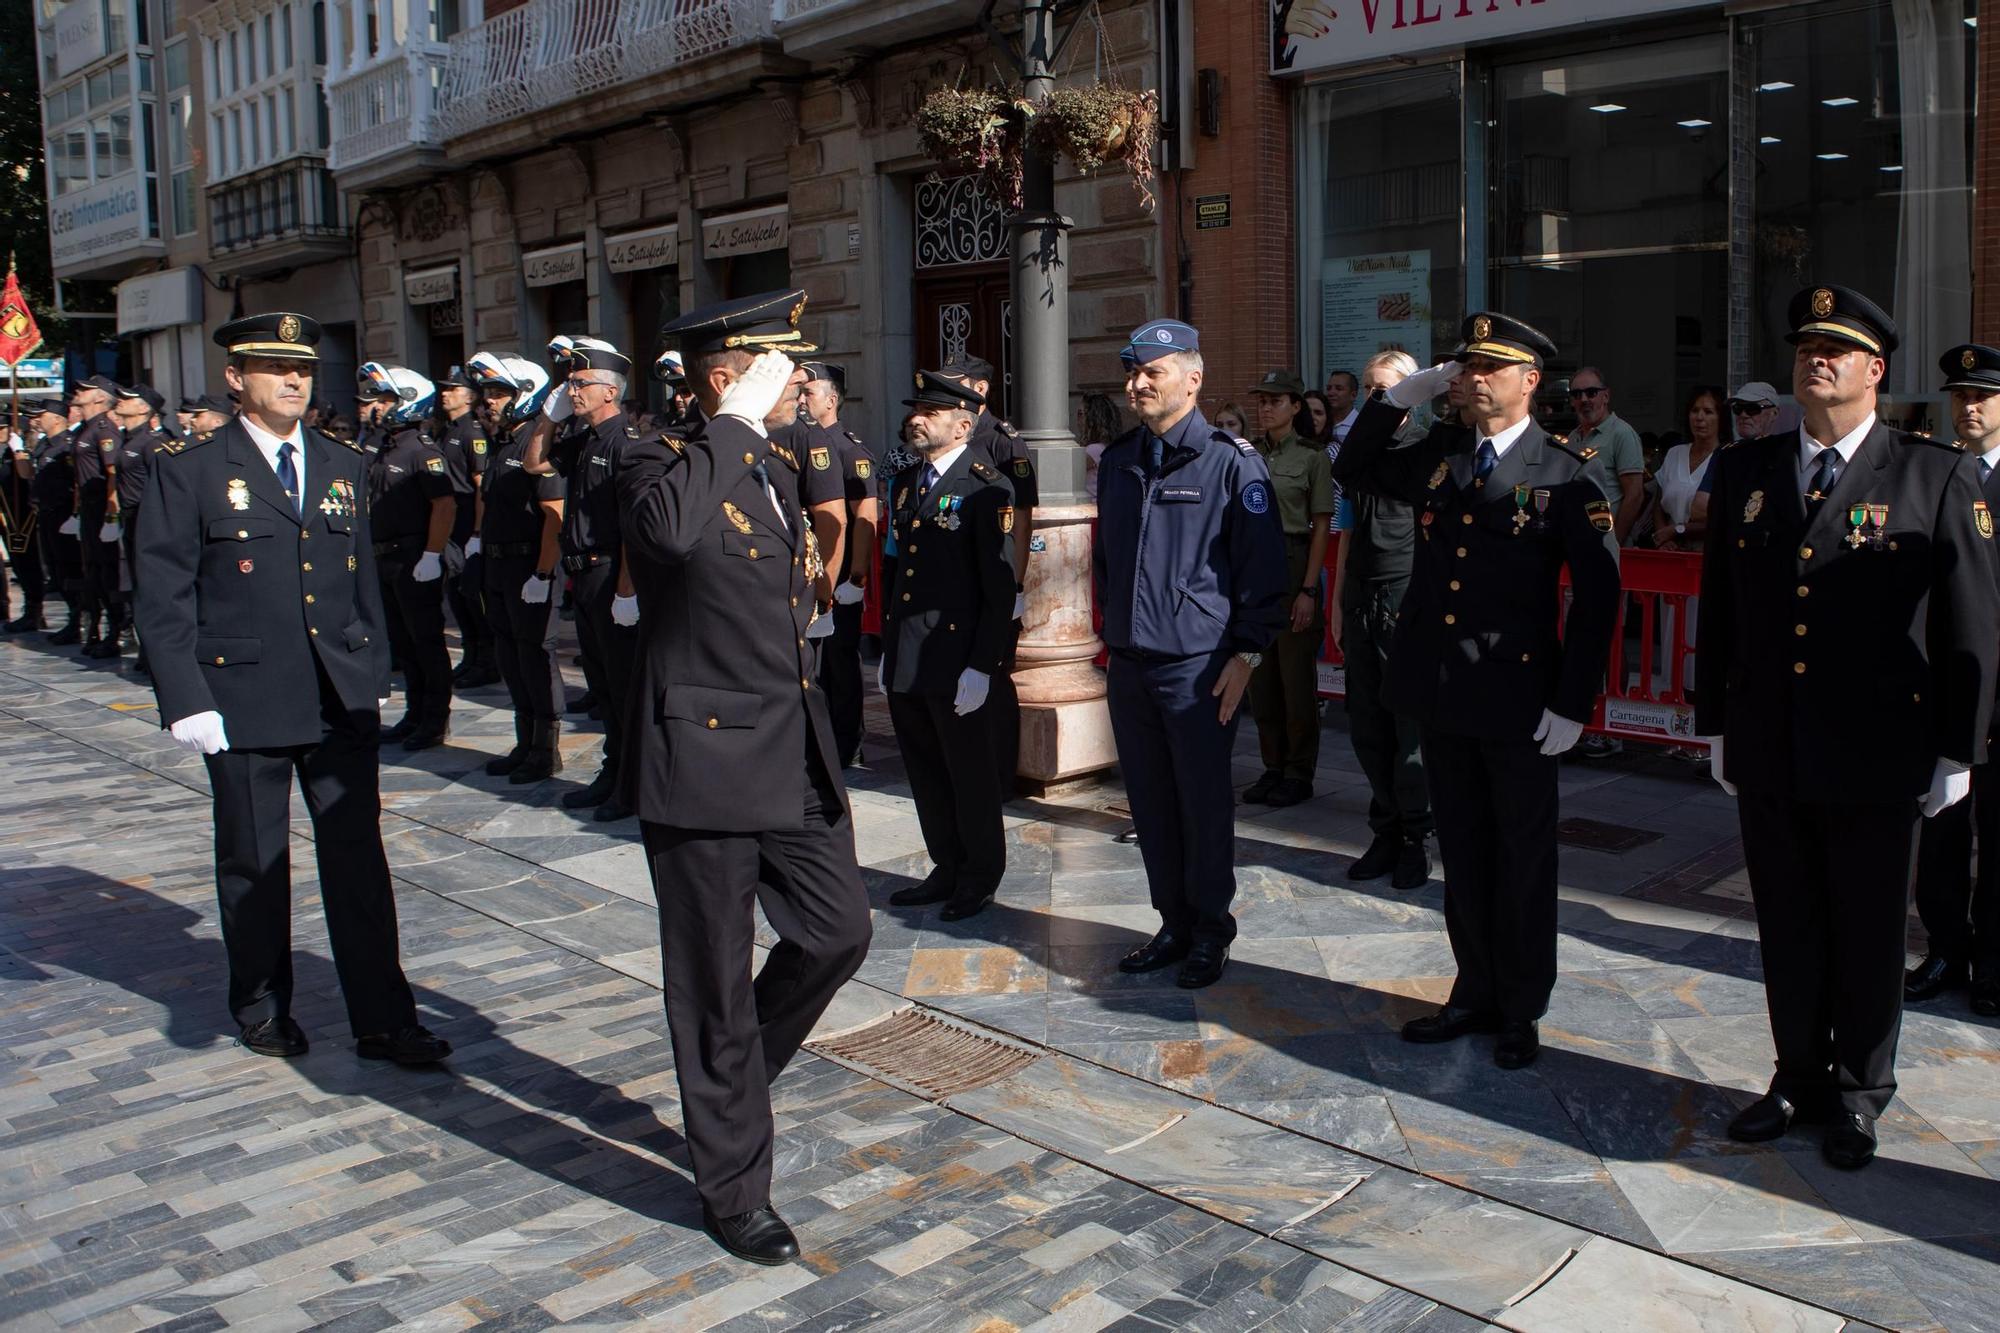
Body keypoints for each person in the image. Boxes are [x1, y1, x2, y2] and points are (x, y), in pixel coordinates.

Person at [1698, 288, 1999, 1170]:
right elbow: (1723, 607)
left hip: (1878, 749)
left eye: (1836, 349)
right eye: (1805, 347)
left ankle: (1861, 1093)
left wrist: (1960, 747)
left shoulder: (1932, 473)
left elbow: (1973, 628)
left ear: (1876, 370)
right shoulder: (1750, 473)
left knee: (1868, 932)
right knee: (1786, 924)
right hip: (1772, 740)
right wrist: (1713, 719)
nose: (1815, 360)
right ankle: (1797, 1075)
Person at [618, 292, 871, 1266]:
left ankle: (728, 1087)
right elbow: (671, 539)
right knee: (714, 981)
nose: (800, 382)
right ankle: (733, 1185)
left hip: (786, 744)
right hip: (701, 755)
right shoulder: (655, 458)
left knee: (837, 930)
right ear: (725, 377)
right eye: (779, 368)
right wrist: (722, 424)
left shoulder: (769, 460)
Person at [133, 313, 449, 1067]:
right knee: (253, 860)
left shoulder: (342, 462)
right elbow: (163, 592)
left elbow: (360, 580)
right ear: (236, 378)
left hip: (337, 696)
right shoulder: (191, 467)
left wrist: (373, 675)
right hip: (240, 697)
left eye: (302, 367)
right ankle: (263, 1004)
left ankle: (383, 1017)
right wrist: (185, 698)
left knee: (359, 863)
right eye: (274, 366)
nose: (294, 379)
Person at [1332, 313, 1621, 1070]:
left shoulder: (1567, 471)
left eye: (1491, 366)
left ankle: (1520, 1006)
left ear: (1530, 381)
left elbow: (1598, 598)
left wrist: (1572, 700)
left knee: (1522, 857)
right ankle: (1473, 989)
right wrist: (1401, 399)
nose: (1473, 376)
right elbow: (1352, 469)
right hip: (1443, 692)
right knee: (1462, 850)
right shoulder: (1440, 451)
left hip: (1520, 699)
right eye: (1466, 365)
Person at [1096, 319, 1287, 989]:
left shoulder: (1232, 463)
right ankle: (1172, 920)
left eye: (1154, 371)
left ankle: (1210, 929)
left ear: (1193, 378)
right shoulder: (1119, 461)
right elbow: (1108, 563)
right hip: (1130, 662)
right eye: (1133, 371)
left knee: (1203, 803)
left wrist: (1248, 655)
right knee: (1149, 801)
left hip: (1199, 668)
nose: (1138, 383)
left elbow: (1263, 574)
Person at [877, 371, 1019, 920]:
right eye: (916, 410)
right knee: (926, 769)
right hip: (913, 652)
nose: (916, 418)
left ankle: (979, 874)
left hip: (958, 655)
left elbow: (998, 586)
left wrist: (983, 664)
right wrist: (892, 644)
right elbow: (903, 573)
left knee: (969, 772)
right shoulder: (912, 481)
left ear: (963, 424)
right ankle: (946, 863)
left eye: (930, 412)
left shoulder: (987, 486)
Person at [1906, 343, 2000, 1018]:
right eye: (1960, 396)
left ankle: (1992, 960)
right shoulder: (1930, 476)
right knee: (1940, 829)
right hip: (1942, 693)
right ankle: (1945, 945)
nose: (1968, 407)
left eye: (1982, 397)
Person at [1328, 350, 1434, 890]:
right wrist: (1338, 606)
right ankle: (1386, 828)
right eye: (1370, 388)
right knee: (1367, 725)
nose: (1375, 396)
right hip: (1362, 595)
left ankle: (1416, 834)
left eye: (1387, 388)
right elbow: (1346, 528)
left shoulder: (1423, 449)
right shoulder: (1359, 450)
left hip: (1404, 595)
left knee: (1406, 729)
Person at [536, 338, 643, 822]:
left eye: (579, 384)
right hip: (582, 574)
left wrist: (626, 589)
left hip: (608, 573)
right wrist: (551, 415)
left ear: (610, 391)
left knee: (622, 686)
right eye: (569, 384)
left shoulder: (627, 442)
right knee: (601, 685)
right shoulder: (584, 439)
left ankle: (633, 782)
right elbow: (536, 461)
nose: (572, 391)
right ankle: (613, 769)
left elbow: (631, 527)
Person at [469, 353, 568, 784]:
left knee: (535, 657)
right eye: (487, 393)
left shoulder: (537, 443)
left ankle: (546, 750)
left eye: (498, 393)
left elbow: (553, 515)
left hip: (529, 566)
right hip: (498, 567)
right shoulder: (504, 440)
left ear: (525, 393)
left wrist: (543, 575)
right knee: (509, 656)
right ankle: (524, 741)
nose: (489, 401)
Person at [1241, 369, 1334, 807]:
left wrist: (1309, 589)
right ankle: (1272, 766)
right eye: (1262, 400)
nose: (1266, 407)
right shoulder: (1248, 454)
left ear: (1296, 407)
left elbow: (1320, 527)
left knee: (1296, 684)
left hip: (1295, 564)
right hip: (1255, 571)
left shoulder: (1313, 457)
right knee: (1261, 681)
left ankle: (1299, 772)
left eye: (1276, 401)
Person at [943, 356, 1033, 794]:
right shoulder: (949, 439)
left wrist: (1015, 582)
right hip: (960, 582)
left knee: (994, 676)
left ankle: (1000, 775)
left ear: (979, 390)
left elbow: (1020, 517)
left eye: (955, 384)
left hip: (995, 580)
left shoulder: (1004, 441)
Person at [362, 363, 457, 750]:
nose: (379, 406)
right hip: (385, 557)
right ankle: (415, 713)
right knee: (404, 642)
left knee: (426, 643)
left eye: (388, 399)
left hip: (414, 556)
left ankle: (434, 721)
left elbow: (444, 504)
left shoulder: (422, 451)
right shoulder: (386, 446)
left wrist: (432, 554)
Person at [803, 362, 879, 767]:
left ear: (831, 401)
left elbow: (864, 515)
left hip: (839, 579)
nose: (801, 399)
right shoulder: (799, 442)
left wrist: (856, 576)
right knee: (812, 665)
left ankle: (846, 742)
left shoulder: (849, 449)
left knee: (839, 663)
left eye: (809, 392)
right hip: (808, 574)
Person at [435, 365, 498, 689]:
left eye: (453, 389)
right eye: (444, 388)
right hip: (451, 525)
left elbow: (480, 485)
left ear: (469, 396)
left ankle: (487, 661)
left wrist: (476, 532)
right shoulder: (448, 429)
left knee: (472, 596)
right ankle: (471, 656)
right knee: (457, 597)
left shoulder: (472, 432)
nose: (445, 393)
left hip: (465, 525)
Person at [108, 383, 172, 668]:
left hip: (146, 519)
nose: (120, 401)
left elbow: (161, 487)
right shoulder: (127, 438)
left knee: (149, 587)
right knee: (135, 584)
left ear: (145, 409)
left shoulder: (152, 442)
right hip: (130, 518)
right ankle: (146, 648)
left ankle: (154, 652)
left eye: (128, 398)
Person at [65, 376, 124, 656]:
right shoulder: (85, 430)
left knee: (107, 570)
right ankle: (95, 627)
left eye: (86, 390)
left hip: (101, 507)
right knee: (93, 572)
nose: (79, 392)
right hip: (87, 508)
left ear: (100, 398)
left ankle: (115, 631)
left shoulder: (104, 429)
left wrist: (111, 512)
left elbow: (112, 472)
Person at [1566, 367, 1647, 541]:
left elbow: (1635, 495)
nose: (1584, 399)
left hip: (1607, 542)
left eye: (1591, 392)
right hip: (1577, 540)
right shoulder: (1572, 438)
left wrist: (1614, 543)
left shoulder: (1622, 434)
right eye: (1577, 394)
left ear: (1606, 396)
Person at [25, 398, 80, 641]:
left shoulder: (67, 445)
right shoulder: (44, 445)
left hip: (63, 513)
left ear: (58, 418)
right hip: (46, 513)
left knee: (70, 567)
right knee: (56, 569)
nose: (37, 420)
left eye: (42, 415)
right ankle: (73, 616)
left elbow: (75, 482)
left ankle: (79, 620)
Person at [1647, 386, 1727, 552]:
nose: (1699, 417)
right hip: (1671, 553)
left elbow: (1725, 518)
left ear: (1721, 418)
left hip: (1708, 554)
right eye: (1694, 410)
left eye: (1708, 412)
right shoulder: (1674, 454)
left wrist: (1678, 531)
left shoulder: (1727, 458)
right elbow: (1658, 506)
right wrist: (1663, 539)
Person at [2, 401, 50, 633]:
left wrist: (18, 449)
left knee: (28, 562)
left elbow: (25, 474)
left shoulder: (23, 448)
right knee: (19, 563)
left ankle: (35, 609)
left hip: (23, 514)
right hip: (8, 513)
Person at [1323, 371, 1359, 444]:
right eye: (1329, 388)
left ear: (1353, 395)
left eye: (1339, 388)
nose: (1331, 393)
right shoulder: (1321, 422)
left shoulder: (1361, 425)